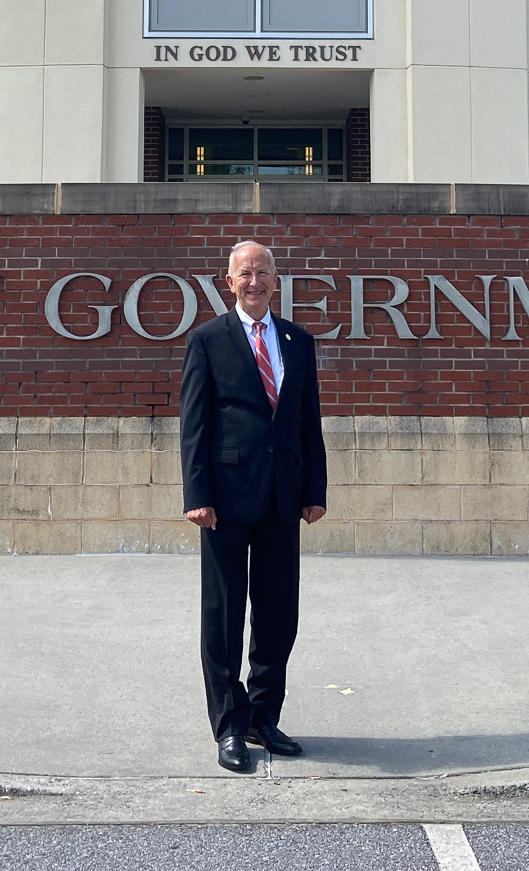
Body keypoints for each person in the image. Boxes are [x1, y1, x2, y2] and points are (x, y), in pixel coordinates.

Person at [179, 239, 328, 773]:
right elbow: (194, 423)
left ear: (275, 280)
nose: (254, 281)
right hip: (225, 499)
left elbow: (307, 419)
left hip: (282, 497)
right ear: (229, 282)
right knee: (223, 617)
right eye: (245, 273)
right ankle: (229, 725)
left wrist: (314, 489)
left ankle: (264, 717)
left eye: (263, 272)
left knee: (277, 614)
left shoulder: (298, 341)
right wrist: (197, 495)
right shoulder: (207, 340)